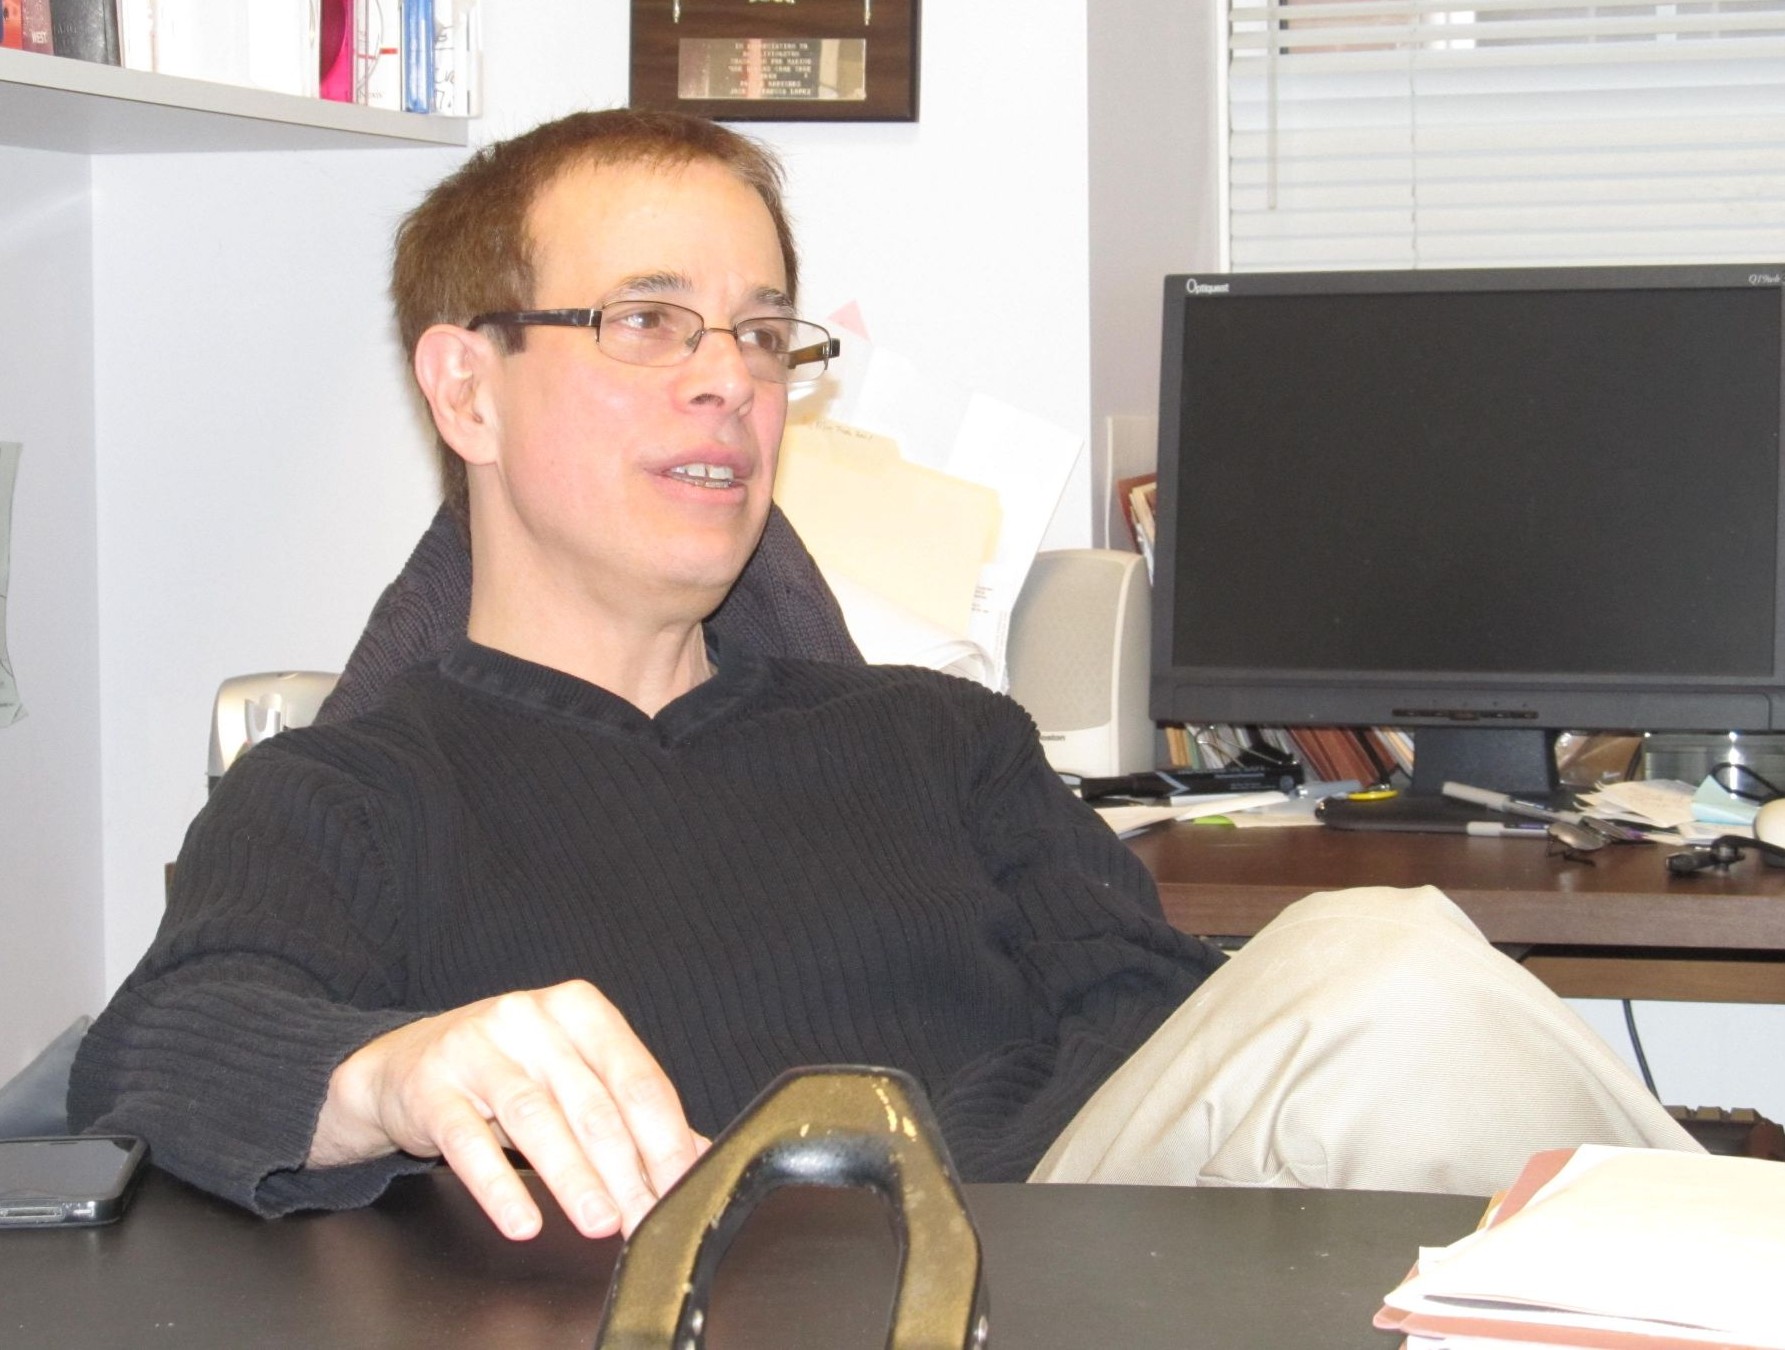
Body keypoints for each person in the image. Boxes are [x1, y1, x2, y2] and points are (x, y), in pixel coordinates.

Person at [68, 109, 1696, 1244]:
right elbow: (156, 1048)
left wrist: (963, 1169)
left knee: (1376, 972)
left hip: (1058, 1252)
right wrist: (394, 1072)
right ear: (465, 388)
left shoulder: (937, 737)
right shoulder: (350, 787)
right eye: (649, 321)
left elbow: (1150, 1019)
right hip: (693, 1296)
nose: (727, 380)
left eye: (760, 333)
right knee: (1385, 965)